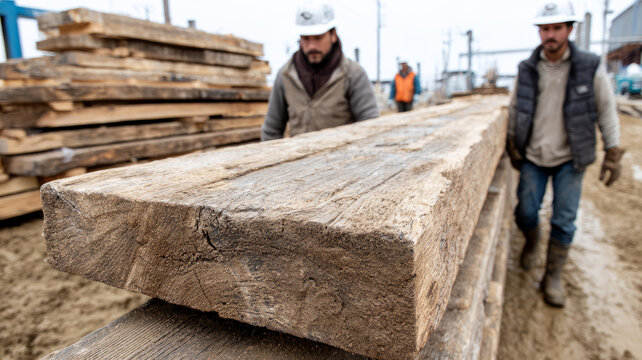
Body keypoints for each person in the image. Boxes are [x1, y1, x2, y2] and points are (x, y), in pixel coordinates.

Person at [506, 0, 624, 307]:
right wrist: (511, 141)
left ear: (569, 29)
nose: (551, 35)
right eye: (545, 29)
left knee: (564, 220)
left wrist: (612, 150)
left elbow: (606, 110)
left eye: (557, 28)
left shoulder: (588, 65)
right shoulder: (527, 69)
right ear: (539, 33)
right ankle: (532, 242)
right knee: (526, 212)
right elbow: (516, 107)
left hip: (570, 158)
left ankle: (553, 275)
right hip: (534, 154)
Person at [261, 1, 379, 141]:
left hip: (342, 160)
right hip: (297, 160)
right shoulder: (286, 75)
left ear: (333, 35)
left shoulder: (353, 74)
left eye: (318, 37)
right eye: (305, 38)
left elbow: (371, 127)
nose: (312, 46)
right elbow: (271, 130)